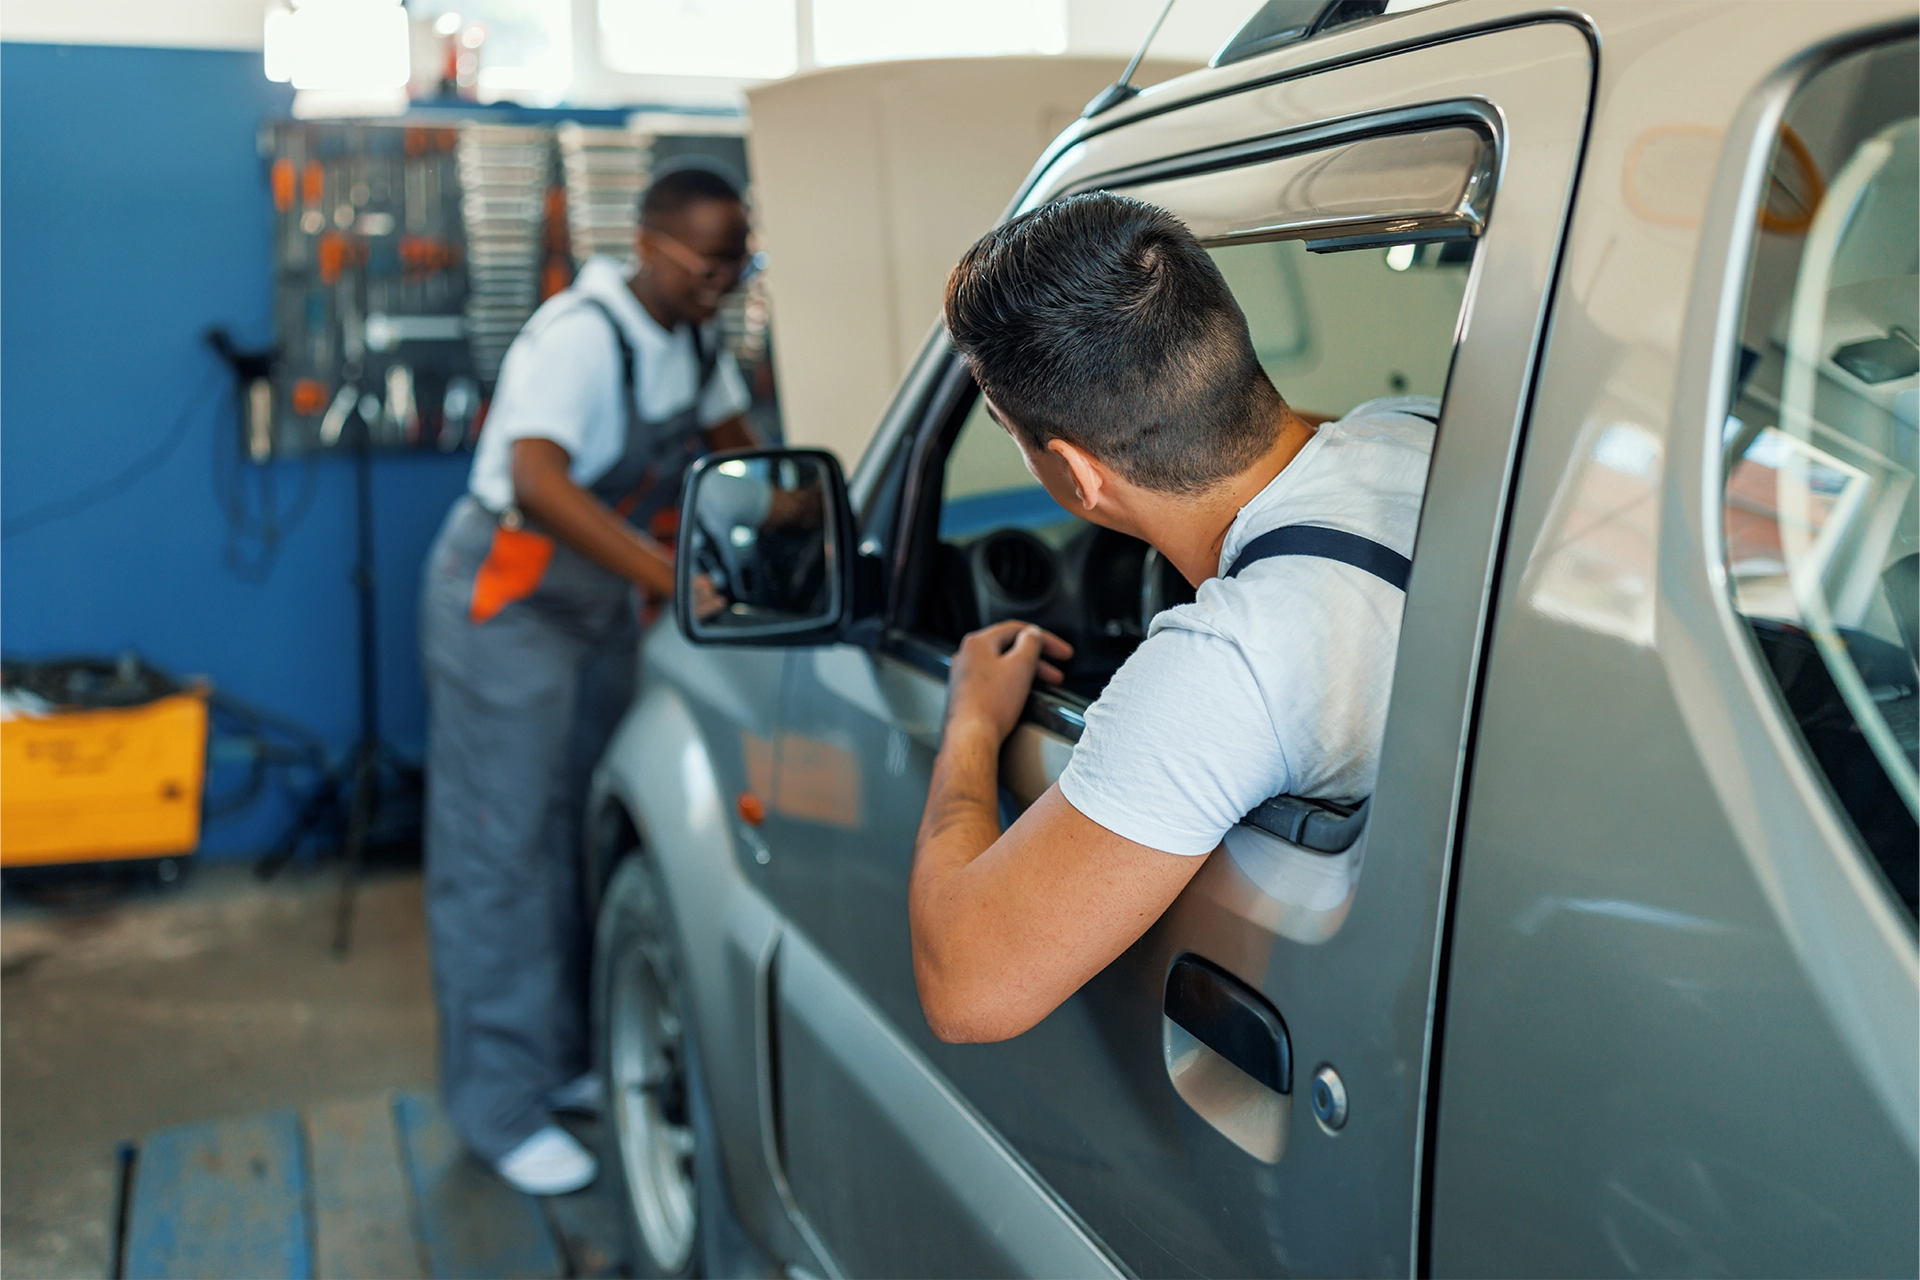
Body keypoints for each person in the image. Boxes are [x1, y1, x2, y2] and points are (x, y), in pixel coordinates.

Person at [908, 192, 1438, 1044]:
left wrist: (972, 722)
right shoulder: (1412, 428)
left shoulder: (1231, 663)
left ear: (1077, 475)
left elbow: (965, 987)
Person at [419, 161, 761, 1194]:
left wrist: (810, 513)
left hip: (602, 607)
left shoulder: (695, 337)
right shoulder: (580, 334)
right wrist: (669, 573)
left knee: (579, 829)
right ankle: (498, 1103)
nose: (725, 281)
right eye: (710, 262)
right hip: (510, 603)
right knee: (502, 843)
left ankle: (559, 1055)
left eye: (740, 261)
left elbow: (739, 450)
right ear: (652, 244)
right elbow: (536, 477)